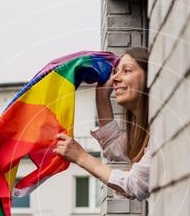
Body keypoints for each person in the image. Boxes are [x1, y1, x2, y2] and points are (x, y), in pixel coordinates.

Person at [53, 47, 151, 201]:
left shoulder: (162, 130)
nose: (115, 78)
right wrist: (101, 96)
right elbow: (113, 146)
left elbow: (133, 185)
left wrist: (81, 156)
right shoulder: (142, 132)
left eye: (127, 70)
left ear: (151, 77)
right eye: (116, 71)